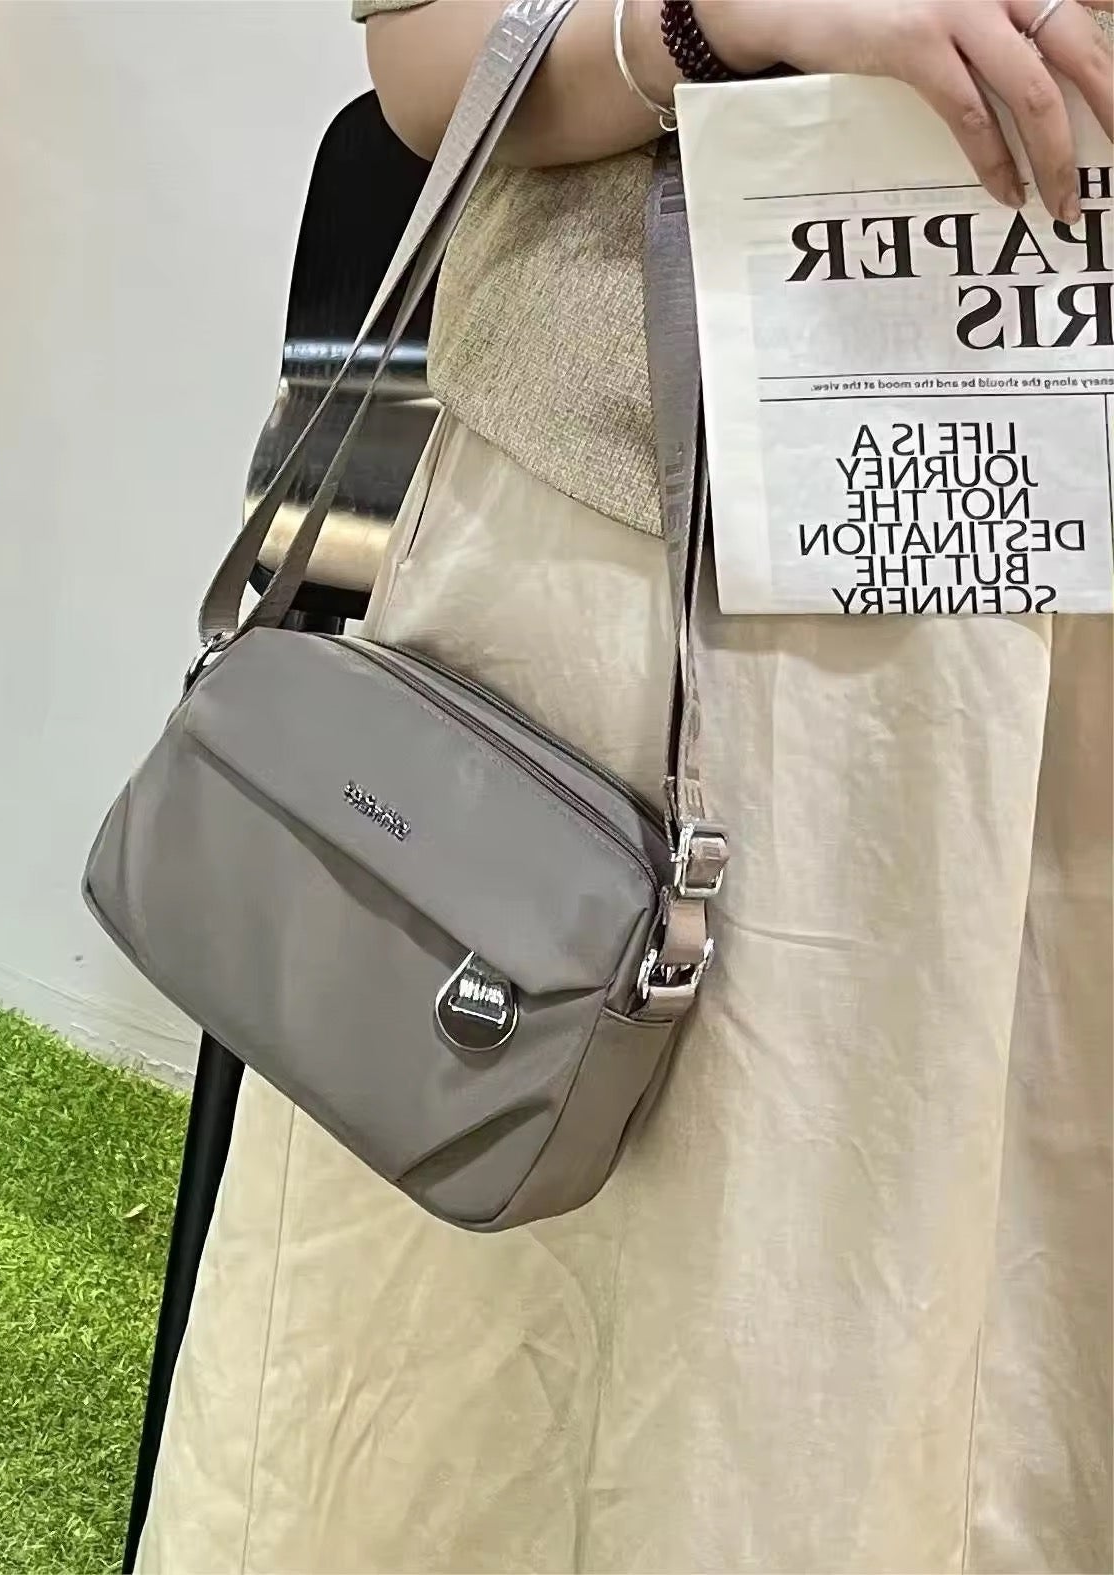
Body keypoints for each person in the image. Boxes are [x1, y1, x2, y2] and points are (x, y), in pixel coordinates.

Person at [135, 2, 1114, 1569]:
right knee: (490, 1405)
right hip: (624, 591)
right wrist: (716, 17)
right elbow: (433, 65)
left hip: (1072, 671)